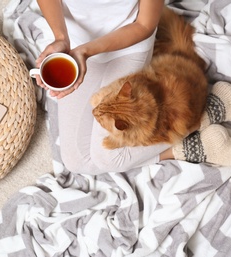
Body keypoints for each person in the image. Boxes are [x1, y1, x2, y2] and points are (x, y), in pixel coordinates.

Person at [35, 0, 169, 175]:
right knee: (76, 163)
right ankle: (174, 148)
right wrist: (61, 38)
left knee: (107, 159)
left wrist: (86, 51)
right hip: (74, 43)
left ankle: (189, 130)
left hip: (129, 45)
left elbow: (144, 25)